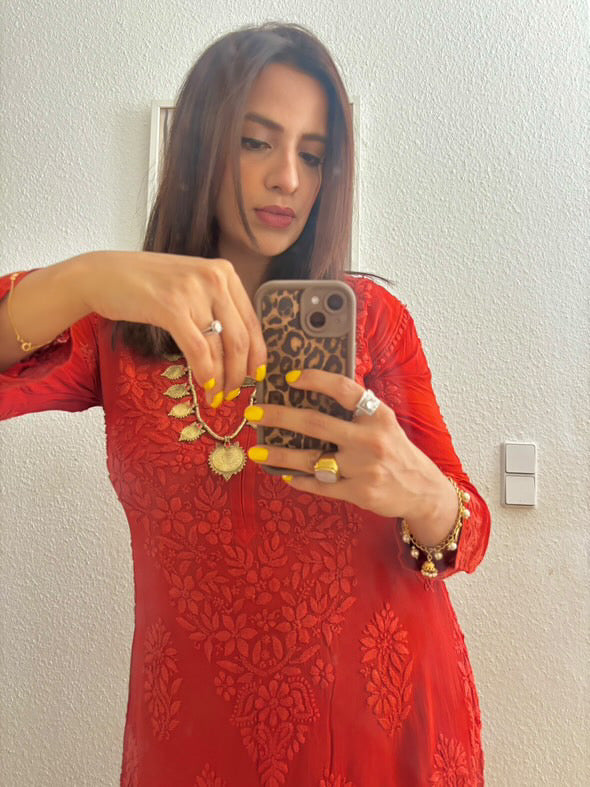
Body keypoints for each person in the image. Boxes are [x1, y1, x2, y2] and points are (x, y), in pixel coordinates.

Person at [0, 22, 490, 787]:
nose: (287, 177)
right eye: (258, 142)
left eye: (312, 154)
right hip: (197, 740)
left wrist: (422, 492)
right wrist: (86, 276)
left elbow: (469, 526)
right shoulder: (117, 332)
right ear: (201, 147)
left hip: (386, 730)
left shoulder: (373, 323)